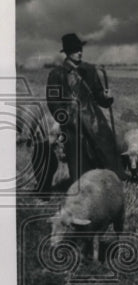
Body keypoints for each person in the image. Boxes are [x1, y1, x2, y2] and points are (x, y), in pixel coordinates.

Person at [45, 33, 121, 187]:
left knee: (104, 157)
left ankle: (106, 188)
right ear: (67, 52)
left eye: (80, 49)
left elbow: (100, 97)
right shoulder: (56, 74)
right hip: (73, 126)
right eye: (75, 50)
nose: (79, 52)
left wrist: (106, 97)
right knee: (79, 163)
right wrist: (66, 119)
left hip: (95, 122)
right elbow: (53, 103)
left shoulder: (90, 70)